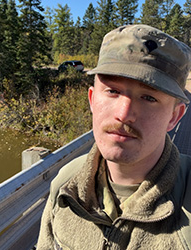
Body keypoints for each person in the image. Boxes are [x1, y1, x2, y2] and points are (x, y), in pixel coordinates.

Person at [37, 24, 191, 250]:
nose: (124, 114)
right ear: (92, 100)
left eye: (148, 98)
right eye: (113, 91)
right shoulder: (65, 186)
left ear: (174, 116)